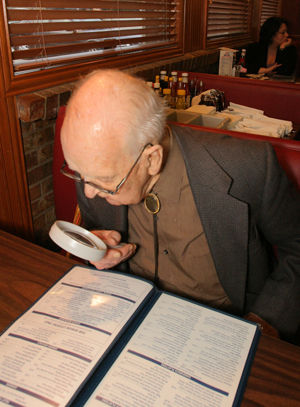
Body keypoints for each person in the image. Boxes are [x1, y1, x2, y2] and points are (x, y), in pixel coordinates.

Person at [61, 69, 300, 342]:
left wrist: (265, 321)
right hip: (131, 322)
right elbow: (97, 234)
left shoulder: (249, 167)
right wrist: (99, 251)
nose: (89, 193)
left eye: (104, 181)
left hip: (223, 327)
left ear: (151, 160)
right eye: (79, 174)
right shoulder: (94, 166)